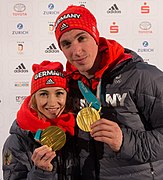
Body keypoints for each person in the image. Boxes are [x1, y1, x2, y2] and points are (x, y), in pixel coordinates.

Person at [54, 5, 163, 180]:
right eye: (66, 44)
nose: (76, 51)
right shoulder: (68, 85)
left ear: (95, 37)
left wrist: (125, 141)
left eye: (81, 38)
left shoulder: (142, 76)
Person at [2, 60, 79, 180]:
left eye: (59, 93)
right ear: (34, 99)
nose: (52, 103)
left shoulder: (76, 131)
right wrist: (41, 173)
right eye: (43, 94)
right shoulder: (16, 142)